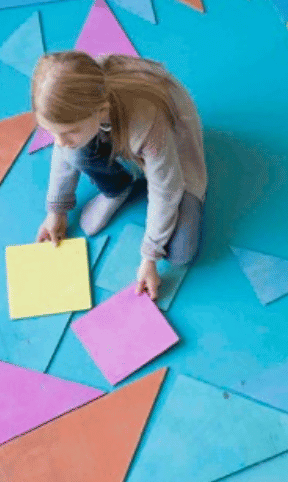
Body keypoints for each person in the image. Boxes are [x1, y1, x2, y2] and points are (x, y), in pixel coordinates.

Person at [32, 51, 207, 300]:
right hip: (112, 129)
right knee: (74, 151)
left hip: (173, 147)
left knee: (180, 253)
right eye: (51, 132)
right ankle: (118, 187)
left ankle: (125, 178)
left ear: (102, 111)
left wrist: (150, 256)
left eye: (69, 131)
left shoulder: (148, 121)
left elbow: (166, 189)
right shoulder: (79, 108)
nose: (59, 142)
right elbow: (64, 152)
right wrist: (56, 210)